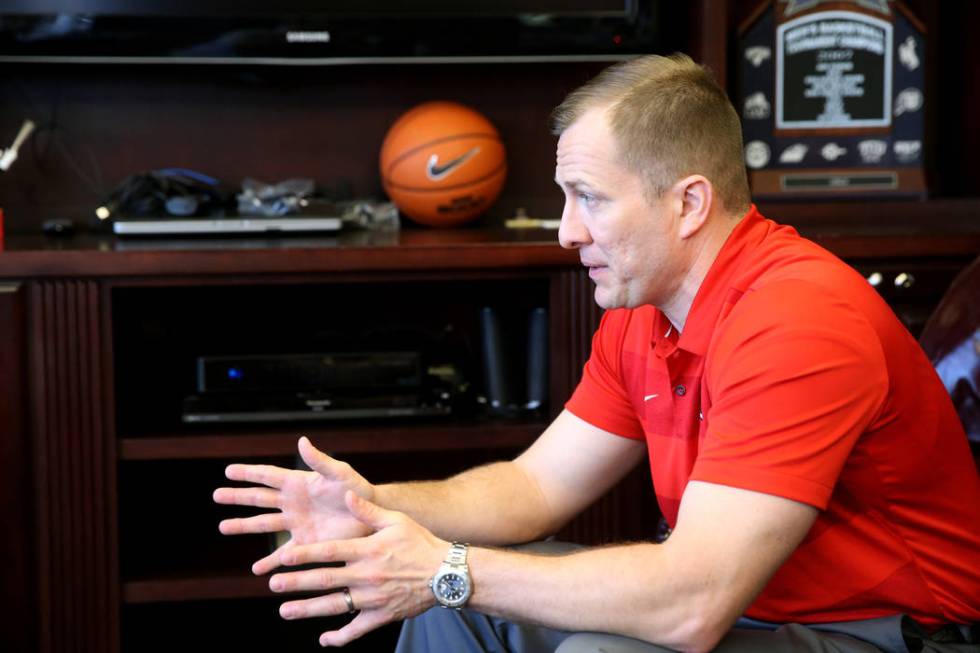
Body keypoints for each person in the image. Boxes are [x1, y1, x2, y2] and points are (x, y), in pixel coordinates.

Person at [212, 53, 980, 652]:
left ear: (688, 203)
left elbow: (692, 604)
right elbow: (531, 488)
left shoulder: (798, 318)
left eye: (590, 197)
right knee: (464, 612)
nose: (566, 230)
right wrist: (376, 503)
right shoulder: (644, 310)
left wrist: (446, 570)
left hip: (891, 632)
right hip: (755, 617)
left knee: (581, 637)